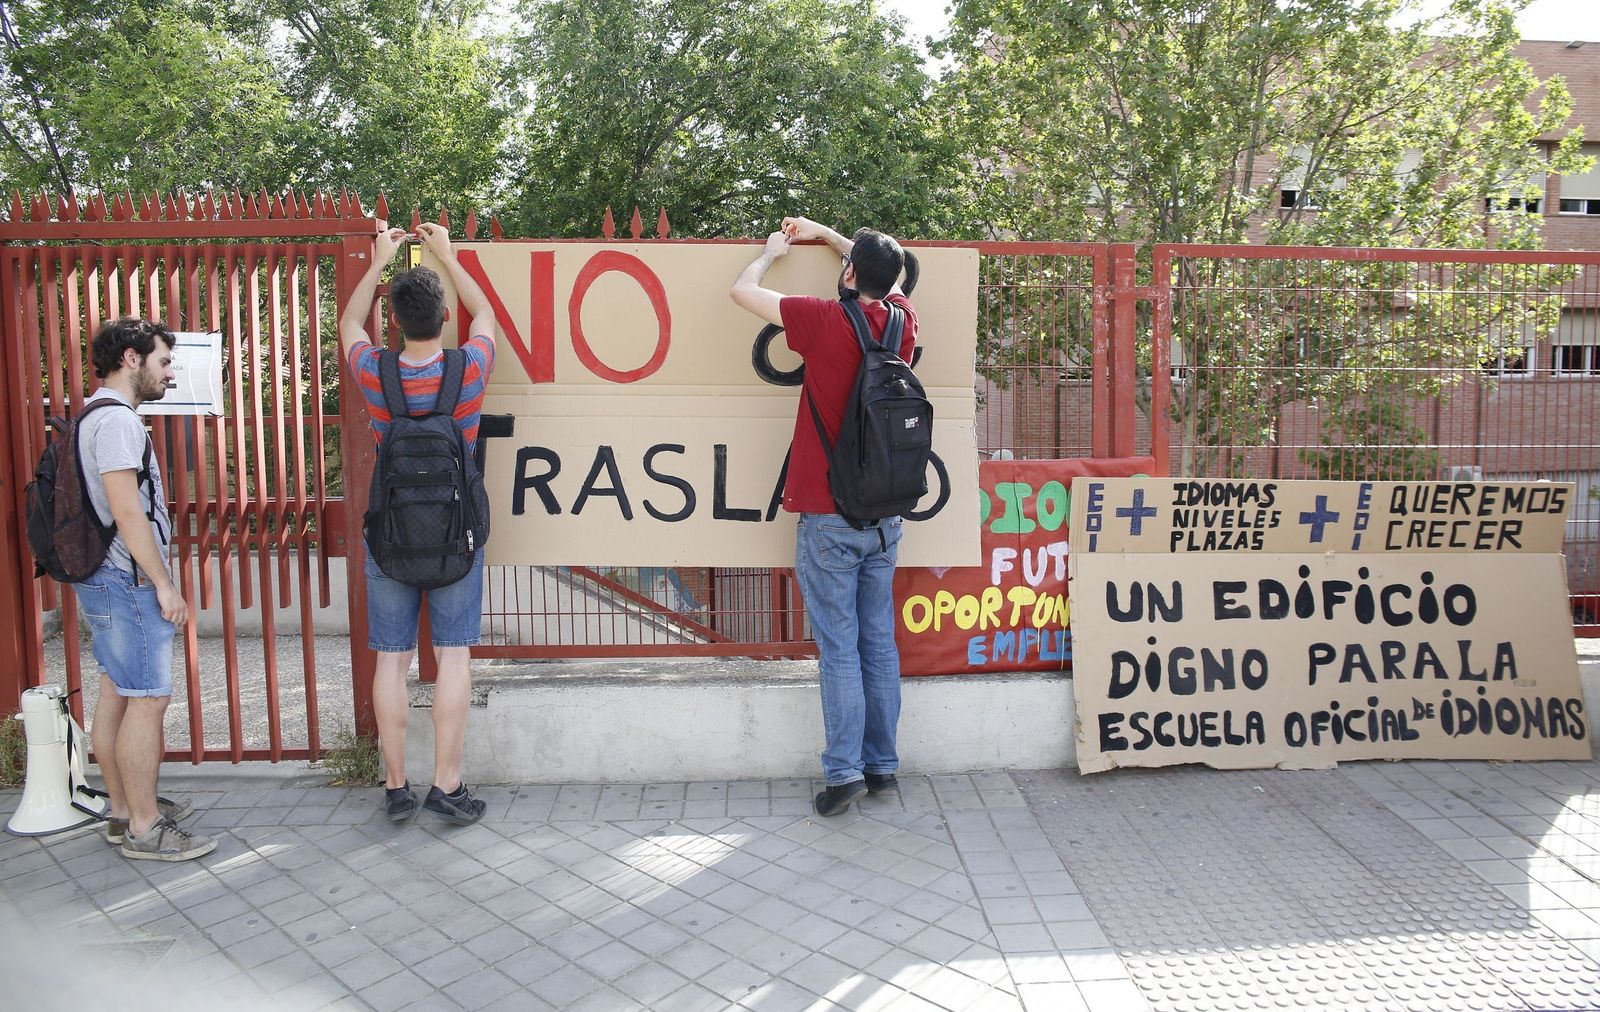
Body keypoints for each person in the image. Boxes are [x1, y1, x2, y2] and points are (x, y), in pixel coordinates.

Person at [730, 215, 918, 816]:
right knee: (879, 645)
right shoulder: (902, 324)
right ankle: (883, 768)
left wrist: (771, 252)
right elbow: (890, 275)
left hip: (827, 515)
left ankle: (843, 775)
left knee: (839, 649)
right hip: (885, 517)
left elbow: (742, 292)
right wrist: (835, 238)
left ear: (851, 273)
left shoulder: (823, 319)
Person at [338, 222, 497, 825]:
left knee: (390, 658)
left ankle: (396, 785)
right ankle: (447, 786)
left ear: (399, 320)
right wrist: (450, 257)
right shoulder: (469, 370)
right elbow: (483, 313)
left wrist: (378, 261)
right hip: (457, 534)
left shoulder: (378, 374)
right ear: (441, 317)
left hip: (391, 535)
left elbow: (348, 326)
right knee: (453, 655)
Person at [77, 317, 210, 861]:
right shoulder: (117, 424)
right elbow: (128, 512)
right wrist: (164, 585)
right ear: (131, 359)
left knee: (118, 691)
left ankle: (122, 810)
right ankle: (145, 827)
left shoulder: (94, 414)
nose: (169, 373)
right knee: (150, 698)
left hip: (107, 579)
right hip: (126, 580)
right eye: (162, 361)